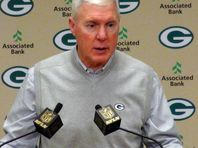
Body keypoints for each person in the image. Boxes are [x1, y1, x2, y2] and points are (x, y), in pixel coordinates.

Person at [0, 0, 183, 147]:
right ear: (73, 26)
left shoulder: (143, 78)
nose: (103, 35)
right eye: (92, 25)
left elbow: (166, 141)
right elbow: (16, 143)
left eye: (110, 25)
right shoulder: (40, 76)